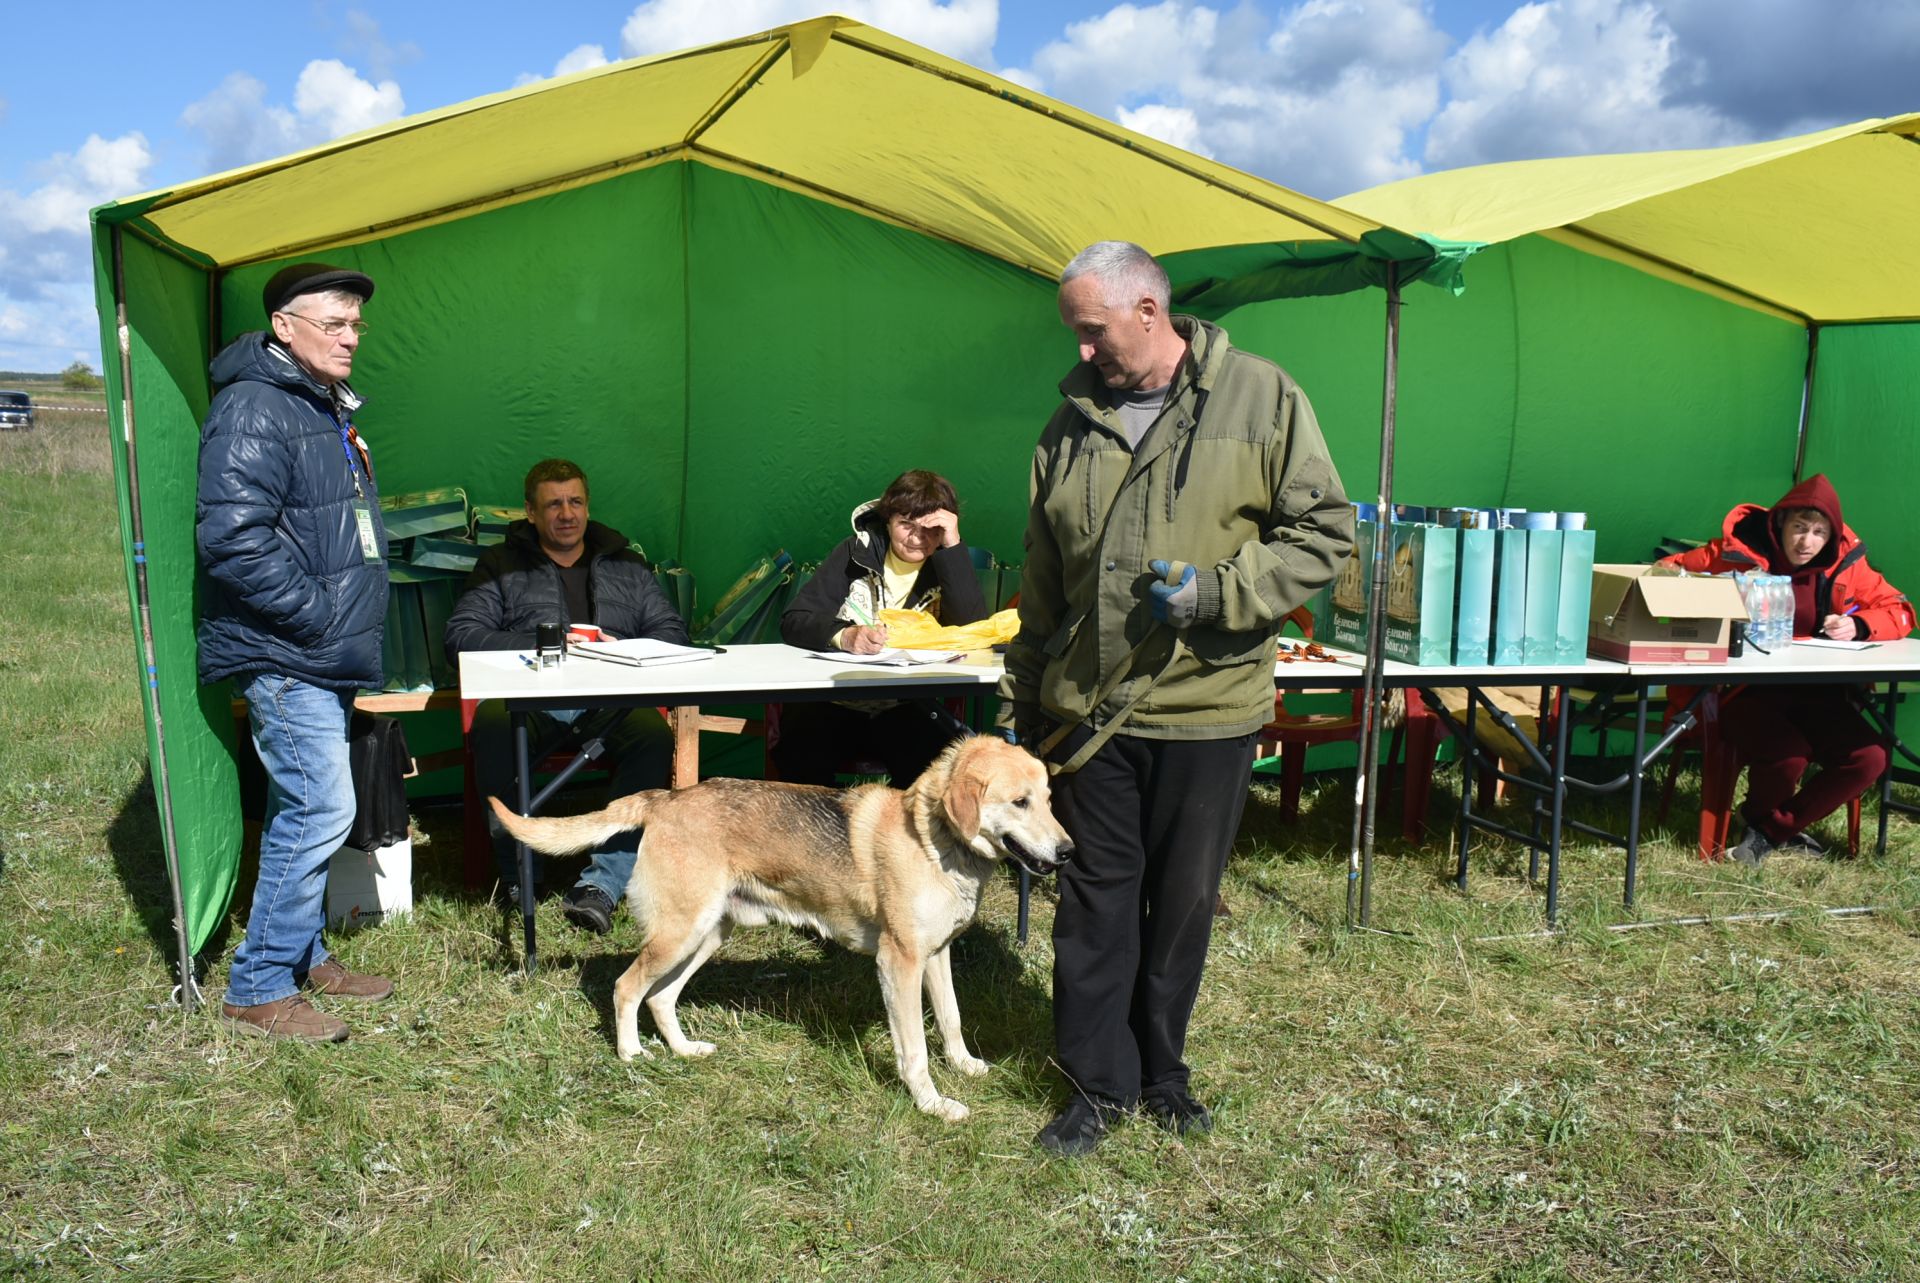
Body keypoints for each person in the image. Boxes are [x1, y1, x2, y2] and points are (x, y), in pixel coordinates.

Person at [998, 241, 1353, 1155]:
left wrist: (1218, 594)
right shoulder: (1067, 423)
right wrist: (1024, 707)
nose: (1081, 352)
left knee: (1183, 903)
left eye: (1093, 330)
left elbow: (1326, 533)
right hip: (1088, 716)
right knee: (1094, 903)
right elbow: (1042, 584)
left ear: (1148, 312)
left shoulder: (1263, 398)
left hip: (1208, 708)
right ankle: (1094, 1087)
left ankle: (1163, 1074)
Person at [197, 261, 392, 1043]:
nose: (350, 338)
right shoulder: (254, 407)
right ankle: (256, 987)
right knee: (320, 807)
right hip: (290, 652)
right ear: (284, 327)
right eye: (333, 324)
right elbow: (232, 539)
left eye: (355, 326)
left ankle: (306, 955)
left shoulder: (315, 405)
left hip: (320, 649)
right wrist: (317, 616)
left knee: (298, 807)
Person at [445, 459, 687, 933]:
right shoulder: (501, 564)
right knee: (493, 728)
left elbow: (672, 632)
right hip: (532, 698)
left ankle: (602, 885)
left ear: (587, 506)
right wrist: (541, 641)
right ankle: (520, 874)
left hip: (611, 703)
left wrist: (631, 647)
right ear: (531, 513)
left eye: (575, 501)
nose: (566, 513)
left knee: (652, 737)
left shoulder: (626, 564)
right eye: (553, 504)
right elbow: (462, 635)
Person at [1660, 474, 1913, 865]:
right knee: (1788, 754)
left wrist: (1859, 625)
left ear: (1830, 537)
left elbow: (1899, 610)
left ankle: (1768, 830)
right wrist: (1714, 609)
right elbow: (1662, 576)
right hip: (1736, 692)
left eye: (1818, 532)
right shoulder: (1735, 552)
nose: (1806, 542)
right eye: (1798, 528)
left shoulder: (1846, 564)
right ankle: (1762, 824)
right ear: (1779, 525)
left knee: (1871, 757)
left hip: (1817, 693)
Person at [775, 470, 988, 785]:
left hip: (907, 706)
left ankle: (899, 834)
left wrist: (953, 545)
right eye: (906, 525)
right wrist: (845, 636)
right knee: (797, 751)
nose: (917, 538)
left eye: (931, 530)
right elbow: (795, 619)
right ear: (888, 520)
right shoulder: (855, 553)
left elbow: (973, 632)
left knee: (935, 765)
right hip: (835, 702)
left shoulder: (946, 563)